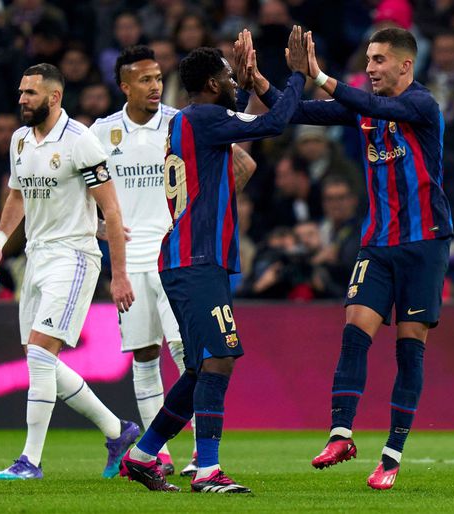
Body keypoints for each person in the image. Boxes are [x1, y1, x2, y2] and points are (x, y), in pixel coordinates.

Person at [239, 26, 453, 490]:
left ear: (405, 65)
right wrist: (259, 82)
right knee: (355, 332)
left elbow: (372, 105)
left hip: (424, 243)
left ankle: (391, 456)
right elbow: (298, 111)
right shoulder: (364, 108)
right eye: (369, 59)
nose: (370, 68)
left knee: (409, 348)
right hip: (377, 242)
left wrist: (318, 74)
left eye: (379, 60)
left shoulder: (422, 104)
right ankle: (341, 435)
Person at [118, 26, 310, 493]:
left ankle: (142, 455)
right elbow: (273, 124)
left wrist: (248, 85)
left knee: (200, 367)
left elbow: (241, 129)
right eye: (226, 75)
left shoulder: (190, 121)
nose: (232, 81)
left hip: (190, 259)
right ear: (209, 84)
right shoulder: (204, 118)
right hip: (196, 258)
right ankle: (207, 470)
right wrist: (297, 76)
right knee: (220, 358)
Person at [91, 45, 257, 477]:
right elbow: (79, 187)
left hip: (177, 250)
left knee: (191, 352)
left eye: (158, 78)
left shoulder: (182, 120)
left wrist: (203, 211)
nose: (154, 86)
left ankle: (200, 455)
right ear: (124, 86)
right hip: (132, 257)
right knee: (146, 355)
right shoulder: (103, 132)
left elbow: (243, 163)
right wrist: (97, 228)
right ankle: (156, 455)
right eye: (144, 80)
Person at [0, 63, 139, 480]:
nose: (22, 99)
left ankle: (30, 461)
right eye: (21, 92)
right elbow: (18, 195)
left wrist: (119, 275)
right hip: (35, 256)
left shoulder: (80, 141)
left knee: (39, 355)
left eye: (30, 93)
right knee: (39, 359)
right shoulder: (20, 140)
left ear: (54, 97)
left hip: (73, 257)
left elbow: (111, 210)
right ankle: (117, 431)